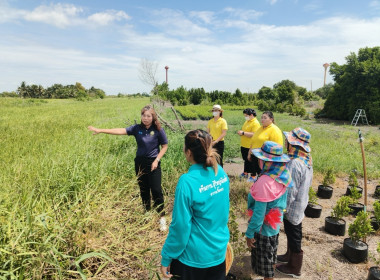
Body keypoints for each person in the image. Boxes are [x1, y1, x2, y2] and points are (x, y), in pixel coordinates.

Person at [160, 129, 230, 280]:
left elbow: (180, 226)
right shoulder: (221, 173)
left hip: (193, 258)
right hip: (218, 251)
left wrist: (167, 256)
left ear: (188, 152)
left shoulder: (187, 182)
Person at [88, 105, 168, 230]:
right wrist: (101, 130)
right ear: (141, 116)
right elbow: (120, 131)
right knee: (143, 189)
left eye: (148, 116)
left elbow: (164, 146)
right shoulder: (137, 128)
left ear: (153, 117)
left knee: (156, 190)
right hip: (140, 162)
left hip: (153, 163)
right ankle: (147, 213)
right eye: (143, 115)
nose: (145, 118)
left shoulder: (158, 129)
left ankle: (161, 218)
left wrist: (157, 160)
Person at [245, 141, 293, 280]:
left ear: (265, 161)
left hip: (263, 231)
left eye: (261, 159)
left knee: (266, 267)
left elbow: (259, 214)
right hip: (274, 228)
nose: (259, 161)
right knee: (270, 258)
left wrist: (249, 234)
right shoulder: (282, 174)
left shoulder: (264, 182)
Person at [276, 128, 313, 278]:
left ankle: (294, 267)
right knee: (293, 233)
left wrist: (282, 209)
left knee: (294, 234)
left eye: (288, 141)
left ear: (293, 144)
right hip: (301, 203)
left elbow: (290, 190)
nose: (286, 142)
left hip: (292, 207)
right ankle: (288, 255)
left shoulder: (295, 164)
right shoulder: (306, 158)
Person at [248, 111, 283, 177]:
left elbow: (277, 147)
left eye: (265, 118)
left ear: (271, 119)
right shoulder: (260, 128)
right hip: (255, 156)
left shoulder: (274, 130)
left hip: (265, 159)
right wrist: (249, 153)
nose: (262, 119)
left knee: (264, 176)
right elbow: (253, 141)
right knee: (259, 174)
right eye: (261, 118)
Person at [237, 108, 261, 182]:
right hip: (244, 144)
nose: (245, 117)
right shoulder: (247, 121)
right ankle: (245, 173)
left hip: (250, 145)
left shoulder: (255, 123)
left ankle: (253, 176)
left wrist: (243, 133)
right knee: (245, 160)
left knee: (251, 160)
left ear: (251, 115)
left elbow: (254, 134)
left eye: (246, 115)